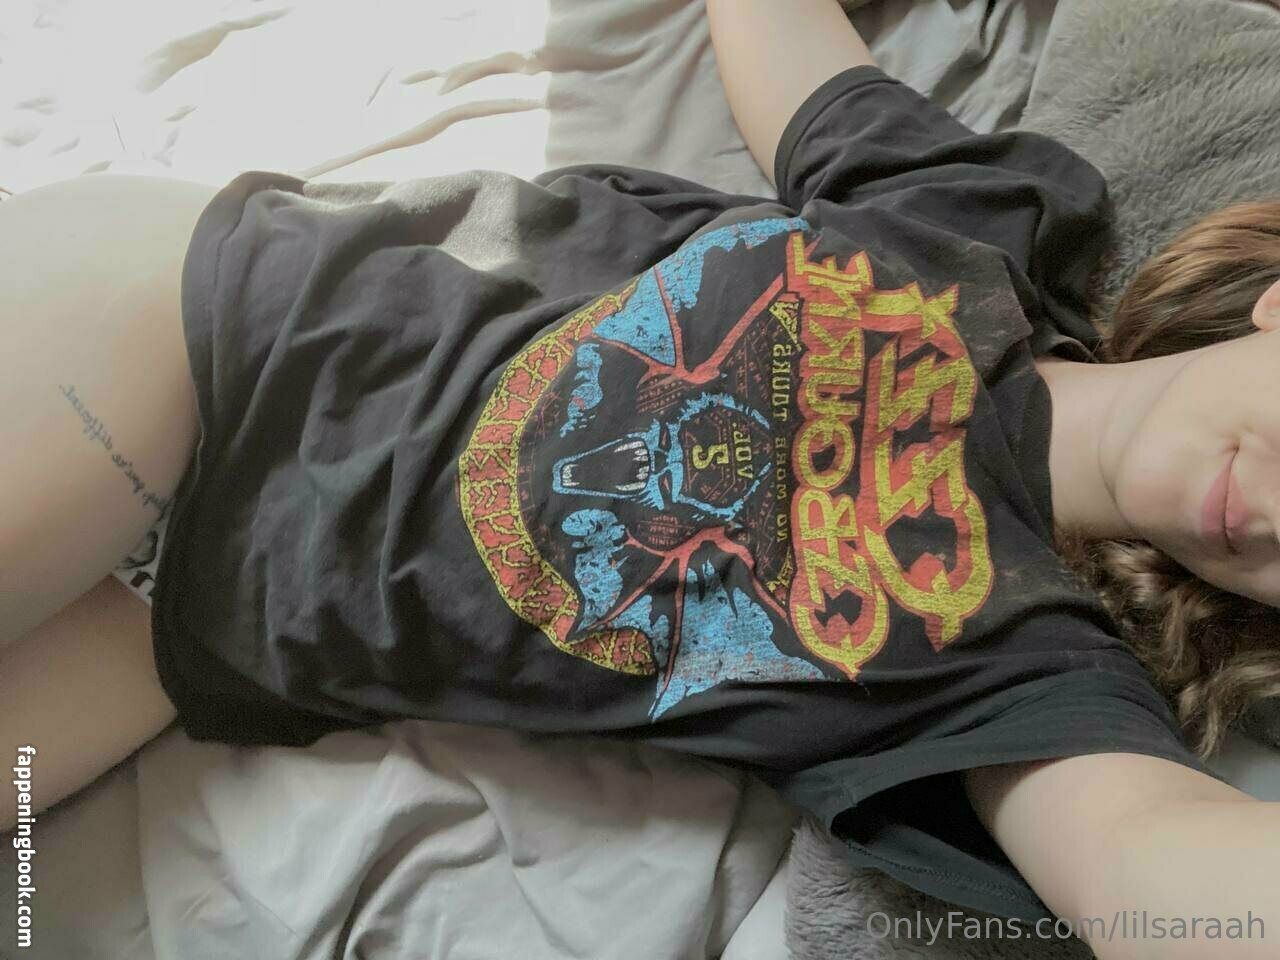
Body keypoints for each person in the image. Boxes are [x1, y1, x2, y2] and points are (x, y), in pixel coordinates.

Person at [2, 0, 1278, 955]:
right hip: (202, 340)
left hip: (200, 632)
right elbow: (777, 37)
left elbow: (1153, 866)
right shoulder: (980, 221)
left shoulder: (1026, 675)